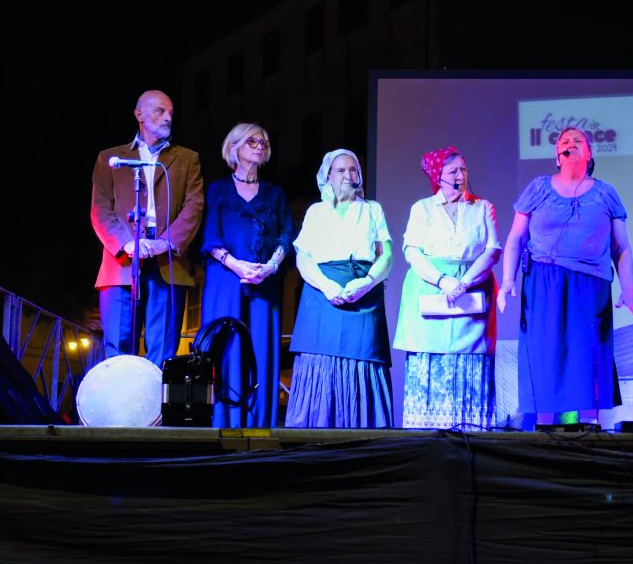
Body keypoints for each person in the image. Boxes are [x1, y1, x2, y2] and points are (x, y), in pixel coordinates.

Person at [497, 127, 633, 426]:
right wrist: (508, 280)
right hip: (543, 281)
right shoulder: (538, 188)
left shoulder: (606, 193)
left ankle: (587, 426)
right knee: (546, 353)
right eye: (564, 141)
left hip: (590, 283)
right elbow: (516, 238)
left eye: (578, 141)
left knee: (586, 355)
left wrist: (629, 288)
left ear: (590, 154)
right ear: (557, 157)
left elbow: (622, 248)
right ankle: (545, 428)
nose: (571, 143)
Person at [90, 90, 204, 367]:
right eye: (160, 111)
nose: (167, 117)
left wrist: (166, 242)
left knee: (163, 350)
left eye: (170, 113)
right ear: (139, 114)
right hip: (121, 262)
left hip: (168, 260)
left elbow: (194, 206)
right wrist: (127, 243)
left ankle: (154, 398)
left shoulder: (187, 158)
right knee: (117, 348)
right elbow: (100, 210)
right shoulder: (111, 158)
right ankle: (118, 397)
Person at [285, 149, 394, 428]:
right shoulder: (317, 212)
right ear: (328, 177)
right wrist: (327, 286)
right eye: (341, 170)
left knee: (364, 359)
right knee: (320, 358)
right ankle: (316, 430)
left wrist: (366, 283)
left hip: (364, 296)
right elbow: (303, 257)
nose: (348, 175)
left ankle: (364, 431)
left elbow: (386, 256)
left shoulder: (372, 209)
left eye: (353, 169)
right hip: (321, 294)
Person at [393, 147, 501, 429]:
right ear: (437, 176)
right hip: (430, 288)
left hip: (472, 289)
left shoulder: (483, 207)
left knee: (472, 358)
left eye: (463, 169)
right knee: (429, 356)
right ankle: (427, 432)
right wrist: (443, 281)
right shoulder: (422, 208)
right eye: (453, 171)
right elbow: (412, 251)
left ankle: (472, 430)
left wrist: (464, 282)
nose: (460, 176)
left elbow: (492, 249)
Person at [200, 123, 294, 428]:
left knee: (262, 351)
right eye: (252, 141)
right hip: (225, 281)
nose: (260, 145)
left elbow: (286, 237)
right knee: (225, 350)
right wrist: (237, 265)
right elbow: (210, 238)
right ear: (234, 147)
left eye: (264, 142)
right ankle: (223, 427)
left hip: (264, 283)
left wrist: (270, 267)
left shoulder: (275, 194)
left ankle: (260, 430)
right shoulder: (217, 189)